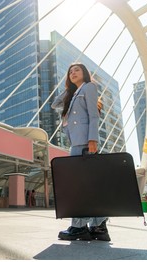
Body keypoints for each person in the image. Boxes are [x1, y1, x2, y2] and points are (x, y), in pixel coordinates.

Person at [51, 63, 110, 241]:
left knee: (79, 185)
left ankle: (78, 227)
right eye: (70, 72)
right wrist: (69, 89)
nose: (73, 73)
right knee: (89, 185)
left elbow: (94, 115)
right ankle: (99, 227)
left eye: (77, 70)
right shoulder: (74, 94)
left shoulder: (90, 87)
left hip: (85, 143)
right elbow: (55, 104)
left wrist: (93, 139)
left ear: (85, 73)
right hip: (77, 144)